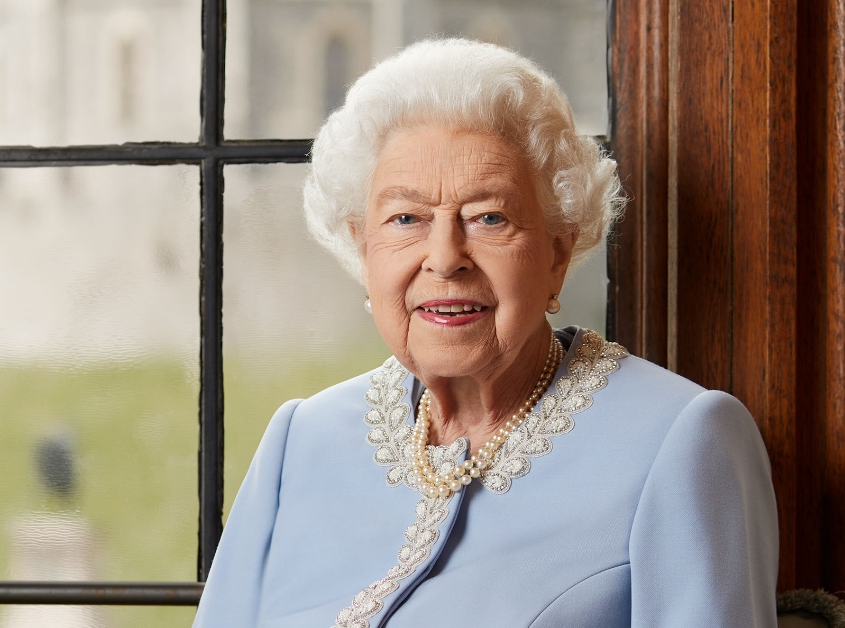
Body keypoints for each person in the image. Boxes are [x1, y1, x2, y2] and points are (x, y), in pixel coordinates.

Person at [192, 39, 778, 628]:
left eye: (488, 217)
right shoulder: (301, 440)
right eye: (406, 219)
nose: (445, 258)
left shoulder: (680, 440)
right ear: (363, 248)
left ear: (556, 249)